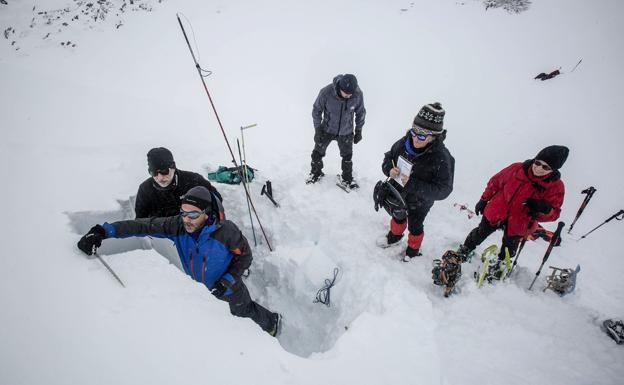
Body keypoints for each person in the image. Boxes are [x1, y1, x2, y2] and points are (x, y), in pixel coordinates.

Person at [77, 186, 281, 337]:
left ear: (207, 213)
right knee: (218, 326)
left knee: (243, 312)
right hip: (200, 292)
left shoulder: (226, 231)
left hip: (229, 288)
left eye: (193, 214)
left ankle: (272, 324)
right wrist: (104, 231)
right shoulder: (178, 227)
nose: (186, 219)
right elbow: (142, 226)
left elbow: (244, 256)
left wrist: (227, 280)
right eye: (183, 213)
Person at [456, 145, 569, 273]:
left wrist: (544, 209)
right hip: (497, 211)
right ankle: (465, 249)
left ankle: (501, 265)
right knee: (480, 233)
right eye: (537, 163)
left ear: (553, 170)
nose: (539, 168)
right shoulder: (517, 169)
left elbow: (554, 214)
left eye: (546, 167)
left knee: (509, 247)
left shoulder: (556, 187)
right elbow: (495, 182)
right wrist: (483, 199)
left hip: (520, 222)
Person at [379, 102, 455, 261]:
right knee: (397, 215)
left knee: (415, 225)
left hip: (421, 201)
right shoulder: (404, 142)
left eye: (422, 135)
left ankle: (413, 250)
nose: (416, 138)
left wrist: (413, 185)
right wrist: (389, 169)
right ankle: (395, 236)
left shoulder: (442, 157)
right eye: (414, 131)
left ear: (434, 136)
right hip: (399, 193)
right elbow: (389, 157)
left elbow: (444, 190)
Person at [308, 74, 366, 189]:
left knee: (347, 156)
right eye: (346, 93)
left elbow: (361, 112)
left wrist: (358, 130)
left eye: (351, 94)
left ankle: (347, 179)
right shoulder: (326, 92)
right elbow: (316, 110)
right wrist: (317, 129)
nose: (349, 96)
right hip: (327, 129)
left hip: (346, 131)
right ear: (340, 88)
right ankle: (316, 173)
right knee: (317, 153)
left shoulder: (357, 94)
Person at [135, 147, 222, 219]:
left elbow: (215, 199)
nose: (160, 177)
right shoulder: (145, 189)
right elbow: (140, 221)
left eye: (164, 171)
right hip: (162, 235)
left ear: (173, 167)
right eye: (154, 172)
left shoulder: (194, 181)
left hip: (194, 231)